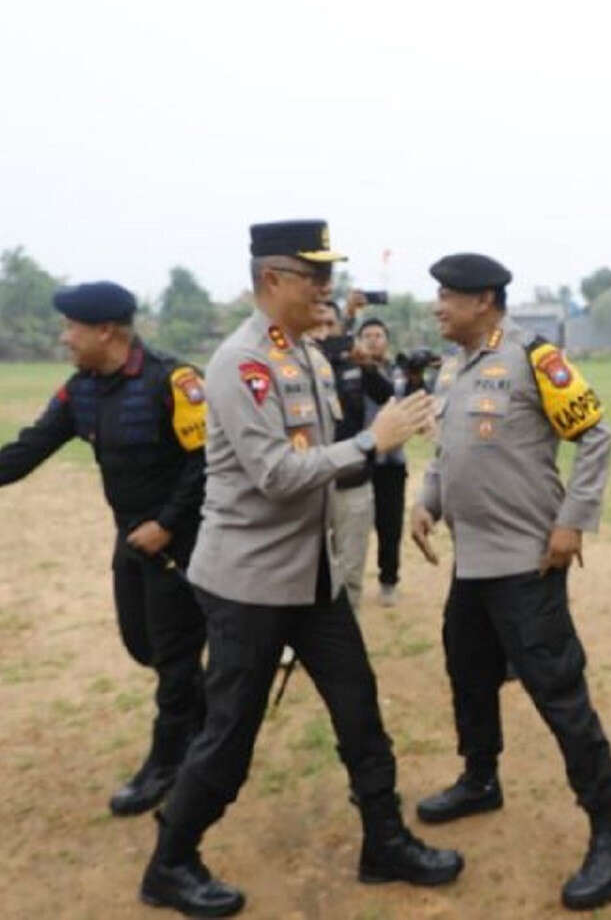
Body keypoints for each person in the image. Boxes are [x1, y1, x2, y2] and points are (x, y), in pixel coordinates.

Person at [139, 220, 459, 918]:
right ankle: (170, 862)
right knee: (229, 736)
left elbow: (322, 451)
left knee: (361, 713)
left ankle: (384, 843)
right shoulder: (240, 363)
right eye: (313, 276)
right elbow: (279, 476)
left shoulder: (304, 355)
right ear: (271, 281)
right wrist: (373, 442)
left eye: (328, 275)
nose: (327, 288)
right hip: (249, 584)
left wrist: (390, 426)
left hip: (310, 575)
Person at [410, 252, 611, 912]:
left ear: (484, 300)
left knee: (558, 694)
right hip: (473, 563)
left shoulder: (534, 359)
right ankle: (480, 779)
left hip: (526, 564)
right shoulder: (453, 365)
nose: (437, 307)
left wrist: (572, 522)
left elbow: (596, 435)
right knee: (468, 672)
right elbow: (447, 448)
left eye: (448, 297)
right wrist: (428, 498)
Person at [0, 281, 209, 816]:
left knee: (173, 657)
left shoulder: (174, 379)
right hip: (132, 540)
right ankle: (205, 712)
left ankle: (168, 764)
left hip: (182, 544)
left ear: (106, 331)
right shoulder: (83, 389)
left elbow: (209, 460)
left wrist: (168, 524)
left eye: (71, 328)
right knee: (142, 644)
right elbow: (31, 445)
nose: (63, 338)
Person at [315, 297, 395, 611]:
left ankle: (346, 640)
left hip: (353, 481)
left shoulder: (354, 362)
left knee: (350, 569)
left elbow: (386, 395)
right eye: (317, 324)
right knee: (308, 568)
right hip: (309, 485)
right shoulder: (294, 364)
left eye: (330, 324)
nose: (324, 332)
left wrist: (367, 364)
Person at [356, 318, 408, 606]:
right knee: (354, 523)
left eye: (379, 335)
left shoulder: (398, 371)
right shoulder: (351, 372)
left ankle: (389, 581)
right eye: (368, 335)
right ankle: (349, 580)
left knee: (391, 525)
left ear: (387, 339)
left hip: (393, 461)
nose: (374, 340)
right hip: (360, 459)